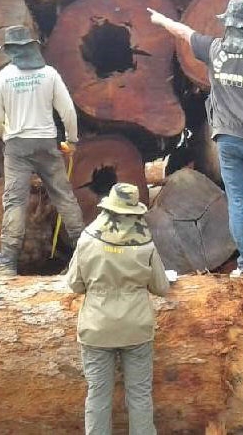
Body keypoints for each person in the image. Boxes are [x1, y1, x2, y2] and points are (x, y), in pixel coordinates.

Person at [148, 0, 243, 281]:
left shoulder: (214, 50)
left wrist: (160, 20)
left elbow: (183, 32)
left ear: (229, 25)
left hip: (229, 141)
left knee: (238, 201)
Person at [66, 182, 170, 435]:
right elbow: (161, 287)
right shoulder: (145, 244)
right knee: (139, 396)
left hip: (97, 328)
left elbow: (74, 285)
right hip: (136, 329)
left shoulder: (87, 240)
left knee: (98, 396)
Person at [0, 24, 84, 276]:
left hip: (17, 147)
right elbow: (68, 111)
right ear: (32, 47)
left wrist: (6, 133)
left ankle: (7, 264)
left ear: (10, 51)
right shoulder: (49, 75)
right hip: (46, 142)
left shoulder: (2, 78)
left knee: (15, 202)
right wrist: (71, 140)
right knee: (63, 197)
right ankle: (86, 258)